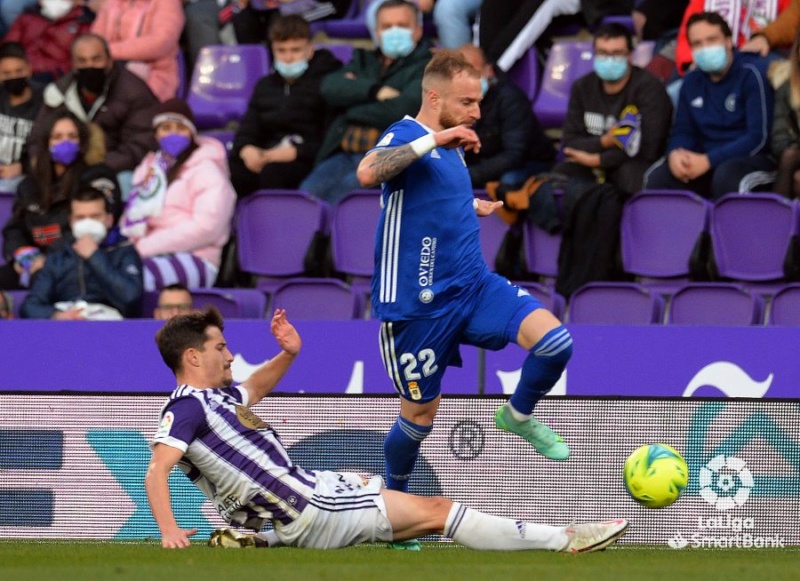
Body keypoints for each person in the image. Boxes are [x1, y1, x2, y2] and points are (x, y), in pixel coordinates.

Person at [145, 306, 630, 551]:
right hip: (308, 504)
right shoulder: (188, 407)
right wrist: (168, 530)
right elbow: (157, 470)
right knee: (438, 511)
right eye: (220, 348)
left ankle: (262, 538)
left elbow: (256, 386)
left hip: (299, 501)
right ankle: (565, 540)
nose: (230, 355)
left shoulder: (220, 399)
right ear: (194, 356)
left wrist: (289, 353)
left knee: (369, 486)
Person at [356, 50, 574, 549]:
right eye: (467, 102)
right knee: (420, 415)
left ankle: (517, 414)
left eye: (478, 102)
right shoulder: (409, 134)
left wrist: (468, 204)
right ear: (434, 98)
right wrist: (436, 137)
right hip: (416, 307)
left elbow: (429, 195)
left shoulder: (451, 146)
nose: (477, 112)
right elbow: (369, 173)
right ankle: (398, 510)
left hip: (473, 287)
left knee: (556, 342)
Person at [299, 0, 433, 205]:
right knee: (306, 197)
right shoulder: (362, 58)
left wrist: (350, 106)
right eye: (387, 27)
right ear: (376, 33)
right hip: (344, 152)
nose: (394, 31)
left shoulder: (428, 66)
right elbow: (329, 87)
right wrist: (375, 91)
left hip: (388, 156)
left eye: (402, 25)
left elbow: (402, 109)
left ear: (417, 31)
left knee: (344, 199)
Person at [644, 12, 777, 200]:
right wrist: (676, 153)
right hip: (704, 161)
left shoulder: (752, 74)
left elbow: (758, 138)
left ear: (729, 42)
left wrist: (709, 161)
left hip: (752, 160)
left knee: (727, 177)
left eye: (712, 40)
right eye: (697, 44)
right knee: (658, 177)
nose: (705, 48)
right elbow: (683, 130)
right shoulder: (691, 82)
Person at [120, 98, 236, 291]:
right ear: (156, 134)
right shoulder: (149, 169)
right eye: (166, 127)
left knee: (128, 282)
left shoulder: (207, 170)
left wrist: (142, 248)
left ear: (191, 132)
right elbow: (130, 216)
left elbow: (206, 228)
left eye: (180, 128)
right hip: (144, 254)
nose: (173, 134)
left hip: (196, 257)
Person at [0, 109, 120, 290]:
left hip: (77, 262)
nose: (65, 142)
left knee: (41, 281)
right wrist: (26, 258)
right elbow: (14, 229)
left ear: (82, 143)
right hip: (34, 261)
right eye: (57, 136)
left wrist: (47, 260)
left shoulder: (98, 177)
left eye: (72, 136)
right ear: (46, 142)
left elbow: (94, 227)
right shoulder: (29, 185)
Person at [552, 23, 673, 197]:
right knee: (561, 174)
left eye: (617, 53)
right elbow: (570, 142)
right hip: (592, 161)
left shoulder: (649, 88)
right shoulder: (582, 87)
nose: (609, 59)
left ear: (630, 56)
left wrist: (598, 160)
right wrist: (604, 142)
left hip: (633, 164)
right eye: (603, 53)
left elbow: (649, 148)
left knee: (629, 175)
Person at [29, 33, 159, 193]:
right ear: (73, 65)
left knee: (124, 180)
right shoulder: (59, 93)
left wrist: (95, 168)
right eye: (82, 61)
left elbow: (139, 145)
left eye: (96, 59)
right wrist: (48, 165)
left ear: (109, 60)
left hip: (113, 167)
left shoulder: (134, 92)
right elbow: (38, 139)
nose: (89, 66)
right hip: (64, 166)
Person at [228, 14, 342, 197]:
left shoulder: (330, 82)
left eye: (295, 50)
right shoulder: (265, 85)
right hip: (268, 153)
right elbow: (248, 128)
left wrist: (293, 152)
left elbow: (331, 137)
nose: (288, 57)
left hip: (307, 157)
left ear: (310, 49)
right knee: (234, 170)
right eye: (281, 50)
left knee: (274, 173)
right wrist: (246, 149)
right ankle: (241, 224)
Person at [20, 186, 142, 319]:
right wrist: (58, 316)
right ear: (71, 221)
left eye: (95, 216)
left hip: (110, 326)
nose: (88, 223)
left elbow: (130, 296)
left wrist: (94, 256)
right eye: (80, 217)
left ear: (109, 220)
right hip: (65, 327)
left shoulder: (124, 250)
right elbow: (30, 307)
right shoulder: (59, 254)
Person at [457, 43, 555, 189]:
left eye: (473, 72)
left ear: (489, 70)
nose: (467, 80)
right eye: (461, 74)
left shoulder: (511, 99)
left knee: (508, 182)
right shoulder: (454, 101)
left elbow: (514, 155)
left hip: (529, 163)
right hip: (485, 164)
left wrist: (470, 175)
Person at [91, 0, 185, 102]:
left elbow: (161, 42)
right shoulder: (111, 3)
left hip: (153, 71)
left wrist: (107, 52)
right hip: (109, 69)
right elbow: (95, 40)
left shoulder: (167, 2)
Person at [676, 0, 790, 75]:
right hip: (716, 56)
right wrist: (692, 60)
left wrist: (767, 37)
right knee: (677, 89)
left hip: (762, 53)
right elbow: (688, 32)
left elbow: (791, 25)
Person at [2, 0, 96, 84]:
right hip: (24, 77)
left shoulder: (83, 22)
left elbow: (82, 59)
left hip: (60, 80)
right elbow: (8, 47)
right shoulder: (28, 17)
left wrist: (57, 73)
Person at [0, 42, 42, 193]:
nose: (13, 77)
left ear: (29, 70)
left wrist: (23, 167)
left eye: (19, 71)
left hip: (26, 173)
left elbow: (47, 147)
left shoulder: (44, 101)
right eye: (7, 73)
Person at [769, 28, 800, 198]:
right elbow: (779, 136)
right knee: (788, 157)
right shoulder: (787, 85)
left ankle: (777, 220)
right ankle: (780, 219)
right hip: (795, 154)